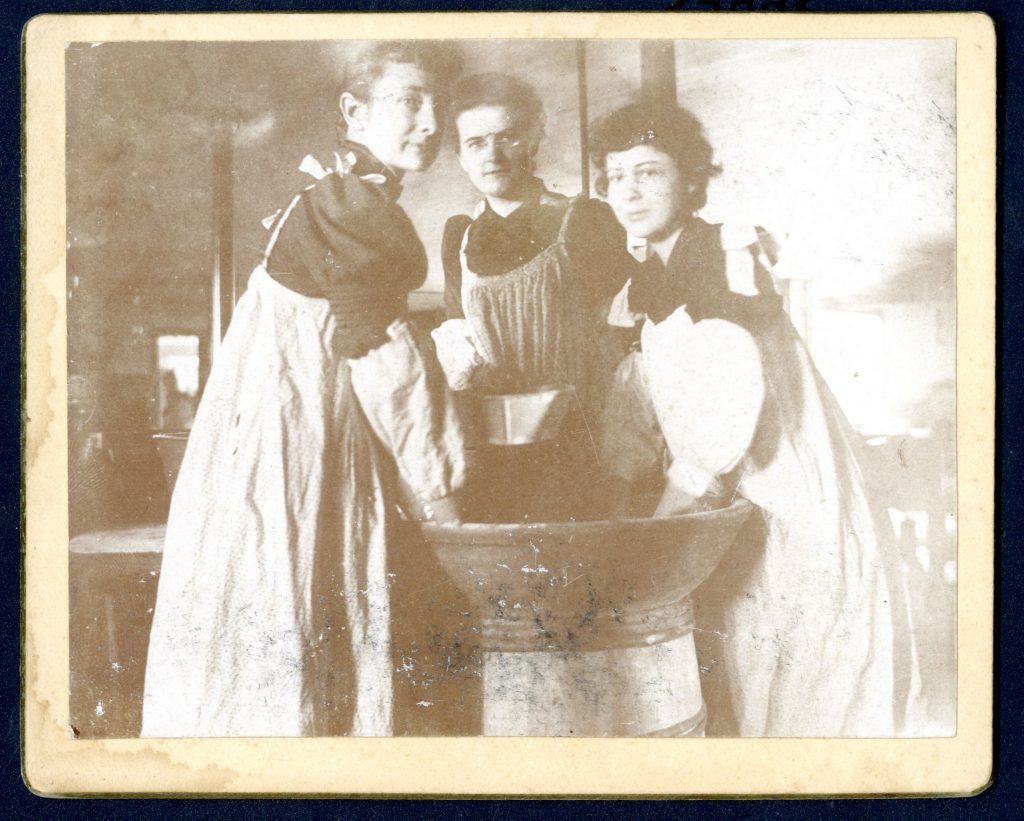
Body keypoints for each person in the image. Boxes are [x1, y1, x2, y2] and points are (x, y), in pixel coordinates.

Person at [141, 42, 467, 738]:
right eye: (411, 99)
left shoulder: (337, 195)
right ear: (354, 112)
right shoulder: (351, 209)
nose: (431, 120)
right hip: (296, 432)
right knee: (296, 584)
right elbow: (386, 365)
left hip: (275, 427)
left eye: (439, 102)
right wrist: (443, 496)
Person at [590, 100, 921, 737]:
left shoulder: (722, 261)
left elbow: (721, 415)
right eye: (615, 176)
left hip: (789, 489)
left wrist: (653, 532)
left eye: (648, 172)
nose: (629, 190)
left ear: (689, 178)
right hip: (749, 494)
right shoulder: (651, 279)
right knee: (756, 662)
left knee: (808, 673)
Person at [436, 72, 635, 521]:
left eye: (507, 137)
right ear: (460, 155)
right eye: (476, 142)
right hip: (490, 444)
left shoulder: (585, 219)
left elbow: (623, 338)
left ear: (535, 133)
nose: (492, 155)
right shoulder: (459, 235)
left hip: (575, 439)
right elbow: (458, 337)